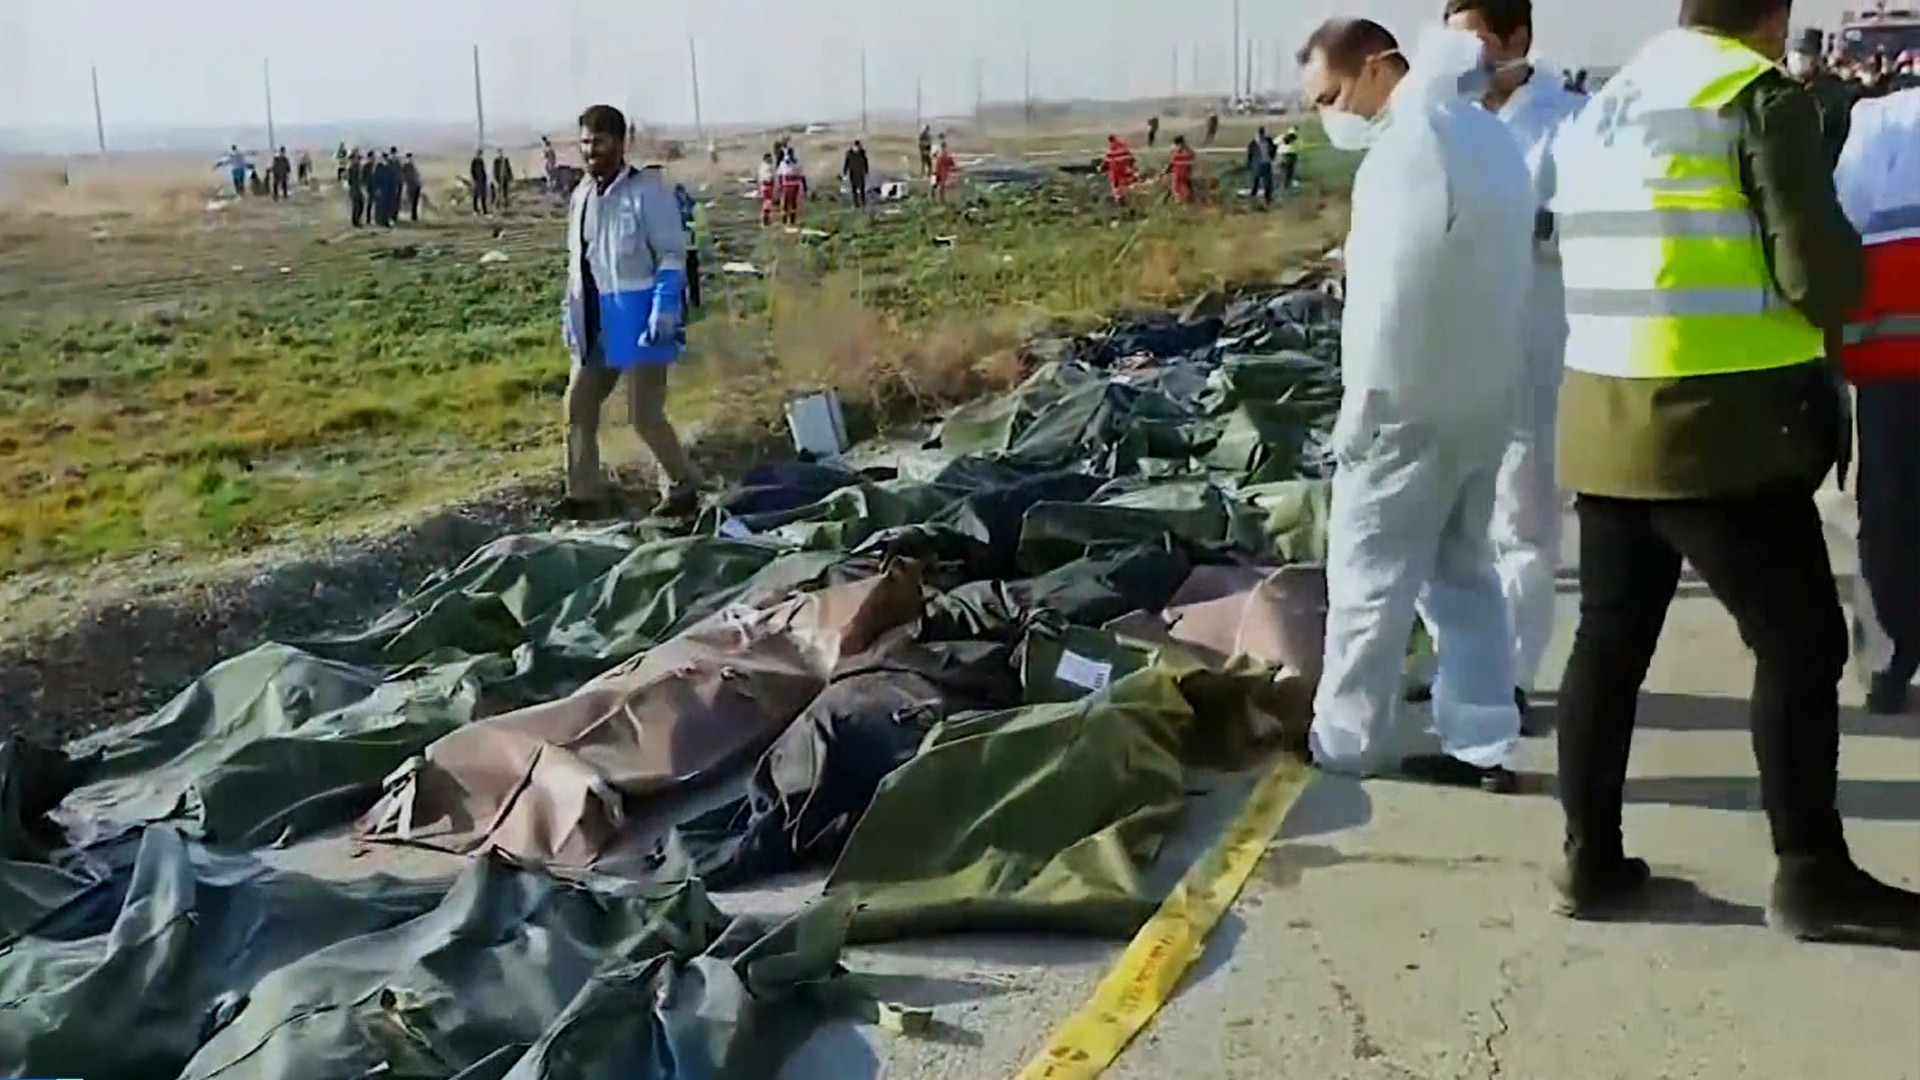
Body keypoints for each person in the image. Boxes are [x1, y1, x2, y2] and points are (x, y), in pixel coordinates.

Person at [1550, 0, 1917, 946]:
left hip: (1604, 410)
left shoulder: (1608, 103)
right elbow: (1816, 273)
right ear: (1772, 17)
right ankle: (1813, 874)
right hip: (1722, 424)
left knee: (1609, 639)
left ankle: (1589, 858)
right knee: (1800, 644)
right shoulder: (1756, 97)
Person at [1296, 19, 1534, 791]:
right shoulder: (1487, 136)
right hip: (1484, 396)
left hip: (1407, 405)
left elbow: (1386, 301)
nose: (1330, 116)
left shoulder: (1407, 150)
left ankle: (1346, 744)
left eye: (1331, 95)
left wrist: (1361, 412)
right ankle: (1484, 741)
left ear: (1375, 67)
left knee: (1367, 583)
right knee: (1466, 576)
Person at [1443, 0, 1586, 727]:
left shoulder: (1574, 122)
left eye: (1474, 43)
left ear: (1516, 40)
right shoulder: (1443, 122)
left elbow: (1586, 226)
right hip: (1449, 353)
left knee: (1524, 526)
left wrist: (1515, 223)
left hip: (1536, 348)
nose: (1461, 60)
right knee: (1452, 524)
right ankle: (1461, 664)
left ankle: (1512, 677)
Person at [562, 103, 704, 518]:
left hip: (643, 316)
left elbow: (672, 255)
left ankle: (681, 487)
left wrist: (665, 306)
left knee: (643, 415)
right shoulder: (581, 197)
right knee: (578, 405)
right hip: (597, 319)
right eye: (585, 142)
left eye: (599, 142)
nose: (591, 151)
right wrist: (570, 311)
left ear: (620, 143)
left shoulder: (648, 194)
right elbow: (578, 261)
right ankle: (583, 497)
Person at [1833, 86, 1920, 716]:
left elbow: (1843, 220)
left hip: (1898, 348)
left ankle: (1889, 659)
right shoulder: (1884, 119)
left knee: (1891, 504)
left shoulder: (1885, 121)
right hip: (1897, 347)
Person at [1788, 28, 1861, 167]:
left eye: (1805, 55)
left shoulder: (1832, 89)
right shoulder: (1779, 85)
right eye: (1795, 54)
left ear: (1816, 59)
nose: (1798, 59)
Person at [1245, 126, 1275, 207]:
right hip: (1258, 165)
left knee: (1267, 184)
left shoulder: (1267, 141)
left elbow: (1273, 149)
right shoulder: (1253, 143)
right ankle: (1253, 199)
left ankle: (1267, 201)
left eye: (1262, 133)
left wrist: (1271, 157)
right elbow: (1250, 155)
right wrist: (1249, 165)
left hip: (1265, 164)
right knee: (1256, 183)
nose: (1261, 135)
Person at [1102, 134, 1137, 203]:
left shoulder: (1111, 153)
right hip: (1125, 174)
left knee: (1116, 186)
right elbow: (1132, 161)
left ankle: (1119, 199)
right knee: (1124, 186)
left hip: (1116, 174)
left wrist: (1103, 169)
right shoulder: (1125, 150)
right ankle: (1124, 198)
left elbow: (1105, 165)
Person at [777, 149, 807, 225]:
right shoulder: (794, 163)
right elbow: (802, 176)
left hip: (788, 186)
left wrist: (780, 186)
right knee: (792, 203)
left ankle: (787, 221)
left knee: (788, 204)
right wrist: (805, 187)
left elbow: (780, 176)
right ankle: (790, 221)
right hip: (792, 186)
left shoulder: (784, 163)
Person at [1167, 134, 1197, 203]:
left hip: (1179, 169)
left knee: (1177, 185)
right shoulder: (1187, 149)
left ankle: (1180, 199)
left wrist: (1168, 168)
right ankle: (1185, 198)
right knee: (1184, 184)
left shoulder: (1176, 149)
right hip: (1184, 169)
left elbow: (1171, 160)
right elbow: (1192, 157)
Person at [842, 140, 871, 208]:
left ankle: (863, 202)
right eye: (856, 146)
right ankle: (856, 204)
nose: (857, 148)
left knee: (862, 189)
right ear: (853, 146)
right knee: (854, 189)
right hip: (853, 173)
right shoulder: (849, 154)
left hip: (860, 173)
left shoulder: (862, 153)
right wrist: (845, 172)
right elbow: (846, 164)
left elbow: (865, 163)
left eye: (858, 146)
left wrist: (866, 171)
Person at [932, 135, 957, 202]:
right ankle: (940, 199)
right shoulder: (945, 155)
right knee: (941, 187)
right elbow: (951, 163)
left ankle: (935, 198)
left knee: (936, 186)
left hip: (937, 171)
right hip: (941, 172)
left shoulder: (938, 154)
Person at [345, 150, 367, 226]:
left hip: (357, 188)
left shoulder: (357, 167)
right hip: (355, 189)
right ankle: (355, 221)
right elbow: (350, 180)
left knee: (360, 205)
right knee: (357, 206)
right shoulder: (352, 168)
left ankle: (356, 220)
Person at [756, 152, 778, 226]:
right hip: (767, 186)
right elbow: (768, 177)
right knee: (767, 202)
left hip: (765, 186)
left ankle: (765, 219)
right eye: (769, 158)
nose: (771, 159)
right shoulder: (767, 167)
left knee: (766, 202)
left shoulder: (763, 167)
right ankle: (765, 220)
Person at [401, 152, 424, 222]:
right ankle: (413, 216)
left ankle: (414, 216)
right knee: (413, 201)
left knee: (414, 202)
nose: (409, 159)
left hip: (414, 185)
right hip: (412, 185)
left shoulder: (411, 166)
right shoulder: (407, 166)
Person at [469, 150, 490, 215]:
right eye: (479, 154)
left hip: (482, 180)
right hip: (477, 180)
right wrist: (475, 178)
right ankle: (475, 209)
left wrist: (485, 178)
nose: (480, 155)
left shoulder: (481, 161)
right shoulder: (474, 161)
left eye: (480, 154)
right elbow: (472, 170)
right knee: (476, 195)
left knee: (483, 195)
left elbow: (483, 170)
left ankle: (484, 209)